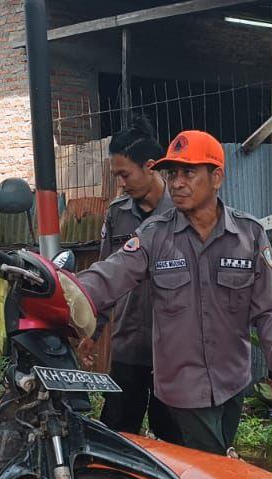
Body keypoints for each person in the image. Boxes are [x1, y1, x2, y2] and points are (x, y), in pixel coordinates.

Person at [58, 129, 272, 455]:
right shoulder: (155, 235)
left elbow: (271, 309)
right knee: (209, 473)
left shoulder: (248, 235)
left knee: (207, 474)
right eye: (172, 173)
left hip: (232, 383)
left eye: (189, 172)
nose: (177, 182)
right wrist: (62, 291)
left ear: (216, 178)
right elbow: (110, 274)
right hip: (182, 390)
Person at [80, 119, 179, 441]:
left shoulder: (183, 213)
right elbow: (108, 271)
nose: (120, 183)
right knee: (117, 439)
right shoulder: (118, 213)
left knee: (174, 445)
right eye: (116, 176)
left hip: (174, 353)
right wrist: (92, 330)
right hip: (129, 346)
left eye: (125, 174)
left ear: (150, 167)